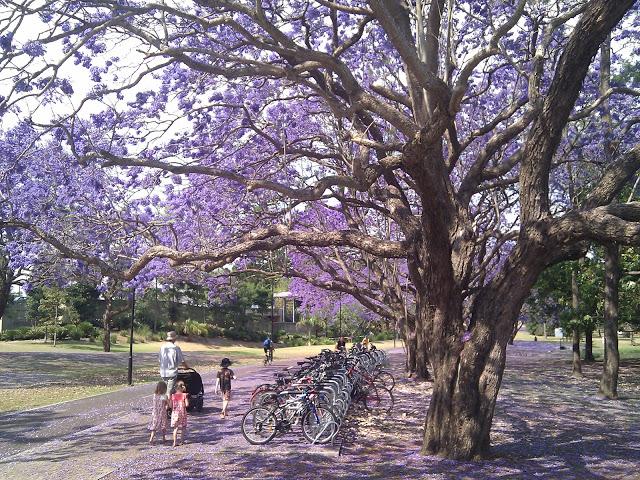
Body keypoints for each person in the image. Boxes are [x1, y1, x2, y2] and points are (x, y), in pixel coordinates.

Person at [159, 330, 189, 399]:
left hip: (163, 372)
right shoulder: (176, 348)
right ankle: (167, 407)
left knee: (164, 390)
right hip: (172, 372)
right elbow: (182, 361)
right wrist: (186, 367)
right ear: (174, 338)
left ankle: (163, 406)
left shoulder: (162, 348)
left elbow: (160, 360)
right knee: (169, 391)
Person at [170, 380, 189, 447]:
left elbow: (170, 406)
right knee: (183, 427)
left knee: (175, 428)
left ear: (175, 388)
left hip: (175, 413)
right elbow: (187, 404)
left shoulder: (173, 396)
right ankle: (181, 441)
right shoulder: (184, 395)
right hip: (182, 413)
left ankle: (174, 442)